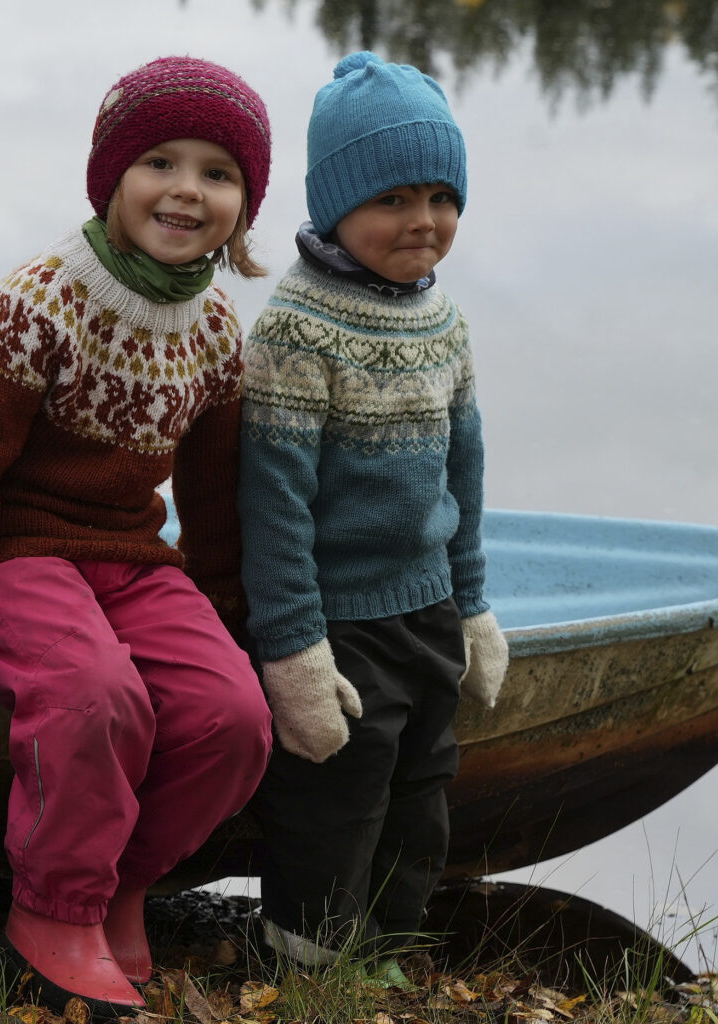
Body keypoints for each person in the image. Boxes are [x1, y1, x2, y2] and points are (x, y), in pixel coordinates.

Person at [0, 56, 276, 1018]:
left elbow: (215, 493)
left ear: (244, 202)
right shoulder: (42, 299)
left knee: (236, 718)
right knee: (98, 697)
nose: (187, 190)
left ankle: (117, 882)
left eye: (218, 173)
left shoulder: (219, 328)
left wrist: (228, 613)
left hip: (135, 557)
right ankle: (51, 909)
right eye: (160, 161)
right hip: (16, 548)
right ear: (111, 177)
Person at [238, 51, 507, 975]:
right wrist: (293, 649)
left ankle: (389, 944)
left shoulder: (446, 322)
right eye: (393, 198)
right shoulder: (296, 328)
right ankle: (307, 960)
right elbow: (272, 506)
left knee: (423, 786)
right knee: (337, 792)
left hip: (427, 607)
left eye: (441, 196)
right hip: (340, 620)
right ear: (336, 205)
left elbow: (463, 477)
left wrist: (472, 602)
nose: (423, 221)